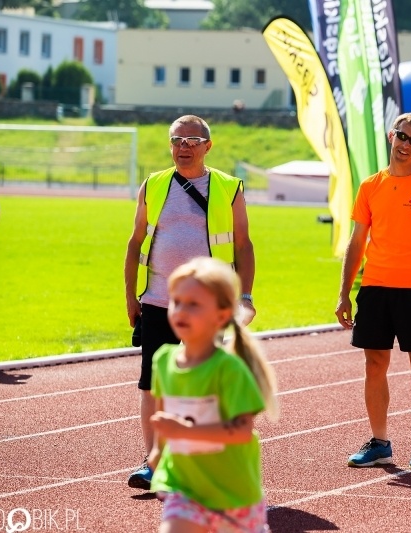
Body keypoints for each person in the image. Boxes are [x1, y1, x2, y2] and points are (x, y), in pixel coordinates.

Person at [124, 115, 256, 490]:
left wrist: (244, 297)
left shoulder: (229, 188)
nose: (184, 147)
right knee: (152, 383)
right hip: (157, 301)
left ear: (207, 146)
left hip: (210, 307)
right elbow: (135, 242)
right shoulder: (153, 184)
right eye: (177, 140)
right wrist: (131, 297)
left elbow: (244, 245)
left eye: (192, 140)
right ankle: (154, 463)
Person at [335, 112, 411, 470]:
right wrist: (344, 292)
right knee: (374, 364)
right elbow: (356, 242)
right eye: (402, 136)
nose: (406, 145)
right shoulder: (370, 185)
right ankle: (380, 442)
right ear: (392, 135)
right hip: (374, 288)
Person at [147, 256, 277, 533]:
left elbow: (242, 431)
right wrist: (158, 452)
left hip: (233, 493)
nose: (181, 310)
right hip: (184, 486)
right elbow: (163, 416)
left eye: (193, 304)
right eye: (176, 301)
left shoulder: (229, 369)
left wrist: (185, 431)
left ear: (221, 315)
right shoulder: (163, 360)